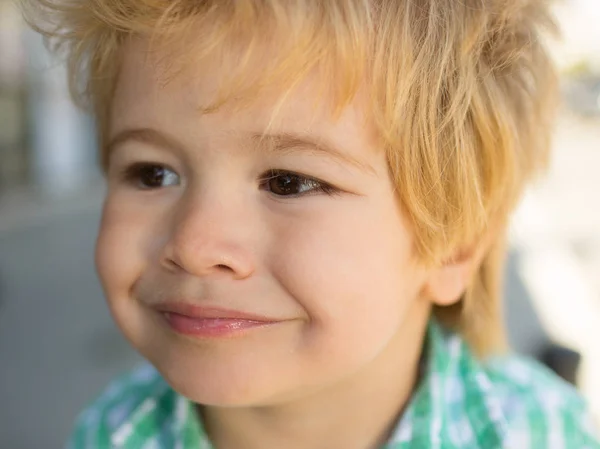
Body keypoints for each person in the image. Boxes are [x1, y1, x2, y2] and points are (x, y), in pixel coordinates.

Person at [23, 0, 600, 447]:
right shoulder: (111, 432)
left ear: (453, 246)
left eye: (288, 182)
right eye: (153, 173)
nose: (194, 245)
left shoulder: (537, 433)